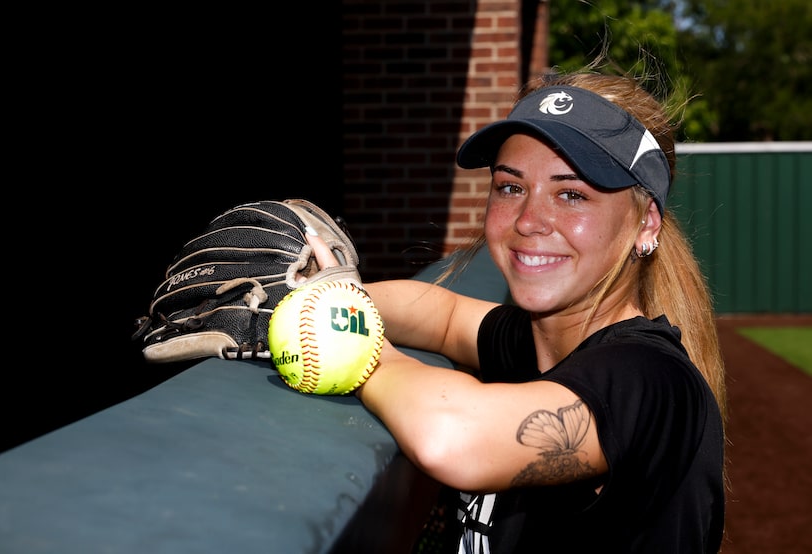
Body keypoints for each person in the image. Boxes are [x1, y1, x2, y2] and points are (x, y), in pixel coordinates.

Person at [309, 69, 727, 553]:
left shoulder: (651, 379)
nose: (530, 220)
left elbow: (452, 439)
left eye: (571, 194)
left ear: (645, 223)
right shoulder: (541, 339)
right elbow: (442, 317)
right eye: (510, 187)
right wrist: (320, 294)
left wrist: (341, 335)